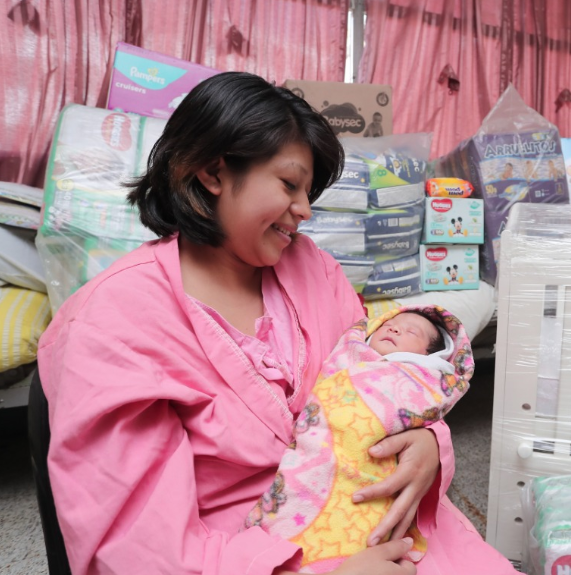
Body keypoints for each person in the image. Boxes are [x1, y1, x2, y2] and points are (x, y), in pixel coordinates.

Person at [37, 72, 517, 575]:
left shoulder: (314, 269)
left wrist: (428, 443)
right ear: (211, 172)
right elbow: (136, 547)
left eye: (309, 192)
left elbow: (382, 383)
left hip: (375, 516)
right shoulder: (114, 324)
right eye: (289, 185)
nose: (304, 211)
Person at [246, 306, 475, 573]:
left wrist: (433, 439)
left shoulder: (422, 378)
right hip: (314, 457)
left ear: (430, 355)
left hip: (380, 469)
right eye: (389, 324)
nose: (394, 328)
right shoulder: (350, 358)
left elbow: (429, 408)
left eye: (411, 331)